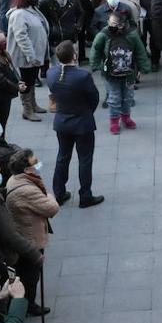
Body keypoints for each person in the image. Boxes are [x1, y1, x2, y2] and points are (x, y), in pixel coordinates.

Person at [45, 41, 103, 208]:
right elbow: (94, 98)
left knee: (62, 157)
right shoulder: (82, 76)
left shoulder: (51, 73)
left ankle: (59, 193)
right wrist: (86, 112)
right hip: (82, 123)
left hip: (62, 122)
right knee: (85, 159)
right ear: (74, 56)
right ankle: (85, 195)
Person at [89, 11, 149, 134]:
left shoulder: (132, 35)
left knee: (128, 97)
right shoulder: (103, 35)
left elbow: (140, 51)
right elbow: (95, 49)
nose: (114, 26)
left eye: (117, 24)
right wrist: (96, 65)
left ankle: (126, 118)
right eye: (112, 23)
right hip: (111, 75)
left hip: (129, 73)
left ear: (124, 24)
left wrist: (143, 67)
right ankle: (114, 121)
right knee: (114, 98)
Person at [4, 0, 48, 118]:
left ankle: (33, 104)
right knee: (26, 82)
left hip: (35, 54)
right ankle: (27, 109)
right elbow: (21, 37)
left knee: (32, 79)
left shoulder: (32, 10)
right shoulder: (18, 14)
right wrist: (31, 55)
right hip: (25, 57)